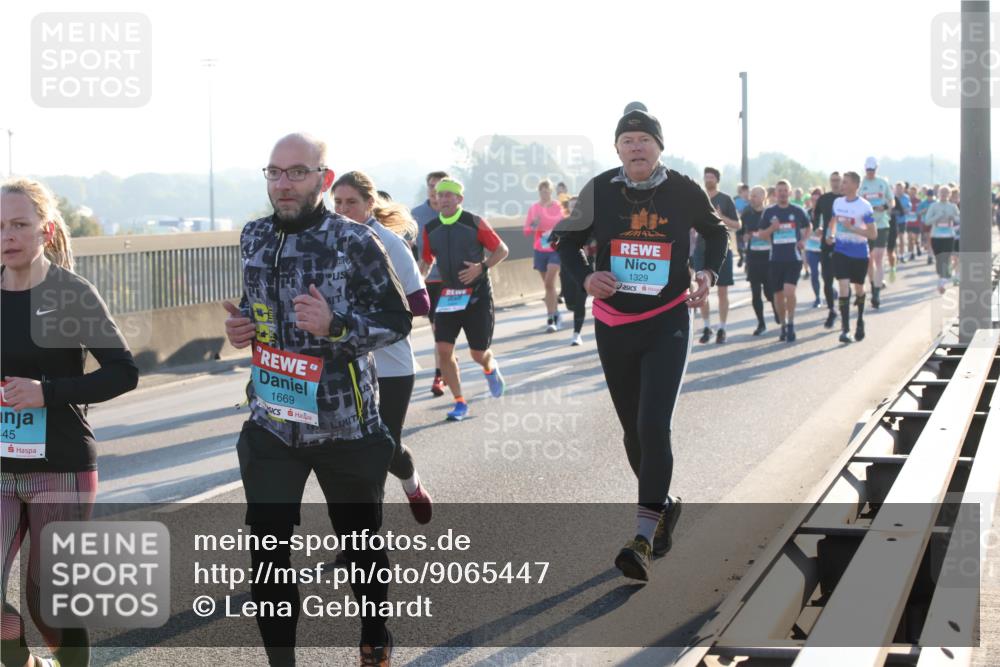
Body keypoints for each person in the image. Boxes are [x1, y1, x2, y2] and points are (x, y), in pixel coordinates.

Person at [222, 133, 412, 666]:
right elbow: (258, 303)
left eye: (296, 172)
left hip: (344, 426)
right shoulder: (254, 236)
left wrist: (337, 327)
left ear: (323, 179)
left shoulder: (353, 241)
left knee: (358, 548)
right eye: (275, 172)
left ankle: (375, 633)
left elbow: (398, 320)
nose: (283, 183)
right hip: (273, 422)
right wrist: (243, 326)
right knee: (267, 554)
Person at [552, 108, 729, 581]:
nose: (635, 147)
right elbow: (563, 243)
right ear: (617, 149)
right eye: (627, 140)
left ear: (659, 147)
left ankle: (642, 538)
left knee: (654, 424)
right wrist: (586, 277)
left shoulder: (684, 190)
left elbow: (715, 232)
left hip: (666, 319)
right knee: (632, 431)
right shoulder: (598, 190)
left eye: (644, 139)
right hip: (613, 323)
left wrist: (708, 272)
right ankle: (664, 506)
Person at [1, 178, 139, 667]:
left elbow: (125, 372)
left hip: (59, 464)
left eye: (19, 224)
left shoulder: (71, 293)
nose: (7, 236)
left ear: (46, 230)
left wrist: (47, 393)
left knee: (48, 603)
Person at [331, 171, 433, 524]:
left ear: (369, 204)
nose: (343, 210)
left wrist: (366, 315)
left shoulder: (389, 243)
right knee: (355, 454)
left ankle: (412, 483)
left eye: (351, 203)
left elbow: (420, 302)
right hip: (347, 363)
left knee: (386, 448)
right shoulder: (326, 242)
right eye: (337, 203)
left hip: (392, 363)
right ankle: (361, 538)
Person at [420, 178, 509, 422]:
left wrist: (482, 267)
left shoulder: (475, 222)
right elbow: (427, 261)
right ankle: (460, 402)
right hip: (449, 297)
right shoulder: (430, 229)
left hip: (477, 297)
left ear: (459, 199)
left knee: (478, 353)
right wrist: (417, 282)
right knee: (443, 350)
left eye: (449, 195)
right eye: (440, 195)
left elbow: (502, 250)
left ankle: (490, 368)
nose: (444, 199)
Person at [756, 180, 812, 342]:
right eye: (779, 190)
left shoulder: (797, 210)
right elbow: (761, 235)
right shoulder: (769, 212)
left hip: (793, 259)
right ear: (775, 193)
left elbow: (809, 226)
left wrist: (803, 240)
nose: (782, 193)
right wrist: (772, 229)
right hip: (775, 260)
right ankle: (783, 324)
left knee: (789, 292)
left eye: (785, 190)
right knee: (778, 296)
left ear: (789, 192)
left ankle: (791, 324)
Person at [411, 171, 450, 397]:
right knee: (440, 331)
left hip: (452, 281)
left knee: (446, 332)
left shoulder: (456, 214)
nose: (435, 191)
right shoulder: (416, 215)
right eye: (431, 186)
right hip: (429, 281)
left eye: (439, 186)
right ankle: (440, 373)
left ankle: (444, 368)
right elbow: (407, 246)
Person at [827, 171, 877, 343]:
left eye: (846, 182)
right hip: (841, 251)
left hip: (859, 252)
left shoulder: (865, 206)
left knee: (859, 289)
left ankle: (860, 320)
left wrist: (852, 228)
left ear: (856, 185)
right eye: (842, 182)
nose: (842, 185)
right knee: (843, 286)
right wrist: (829, 235)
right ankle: (845, 329)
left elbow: (873, 234)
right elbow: (833, 221)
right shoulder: (837, 202)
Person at [694, 167, 738, 344]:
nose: (708, 179)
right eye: (706, 176)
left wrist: (721, 218)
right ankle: (706, 327)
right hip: (700, 250)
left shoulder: (725, 199)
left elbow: (737, 224)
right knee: (701, 289)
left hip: (721, 251)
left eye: (711, 176)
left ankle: (722, 328)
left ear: (717, 179)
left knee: (722, 292)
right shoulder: (698, 198)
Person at [523, 179, 566, 332]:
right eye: (542, 191)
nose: (545, 193)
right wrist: (535, 223)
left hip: (555, 248)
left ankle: (551, 318)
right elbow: (527, 231)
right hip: (540, 249)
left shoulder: (557, 206)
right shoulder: (534, 208)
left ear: (551, 192)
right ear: (539, 192)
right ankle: (555, 313)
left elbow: (565, 224)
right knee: (549, 286)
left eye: (547, 191)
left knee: (549, 282)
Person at [740, 185, 778, 335]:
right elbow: (741, 234)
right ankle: (761, 323)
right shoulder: (746, 214)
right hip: (753, 258)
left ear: (763, 197)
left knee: (769, 292)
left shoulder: (770, 214)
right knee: (755, 293)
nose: (752, 198)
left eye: (755, 195)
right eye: (751, 195)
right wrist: (744, 238)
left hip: (768, 258)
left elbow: (776, 234)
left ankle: (777, 310)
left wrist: (765, 235)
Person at [859, 157, 894, 308]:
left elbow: (892, 201)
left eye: (872, 170)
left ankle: (877, 293)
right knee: (869, 260)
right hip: (867, 226)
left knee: (879, 258)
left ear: (876, 169)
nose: (870, 173)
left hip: (882, 224)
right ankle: (873, 284)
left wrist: (885, 207)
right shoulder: (862, 184)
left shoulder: (882, 183)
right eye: (868, 170)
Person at [813, 172, 843, 329]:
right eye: (833, 180)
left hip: (844, 244)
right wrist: (817, 226)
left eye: (838, 180)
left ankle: (844, 312)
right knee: (827, 279)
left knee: (844, 280)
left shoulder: (847, 199)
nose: (835, 183)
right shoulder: (824, 199)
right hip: (827, 244)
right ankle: (832, 310)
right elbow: (816, 213)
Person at [559, 196, 591, 345]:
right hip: (567, 269)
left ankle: (576, 334)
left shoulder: (590, 223)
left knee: (580, 303)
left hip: (585, 269)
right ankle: (570, 316)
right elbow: (548, 241)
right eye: (571, 206)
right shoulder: (562, 224)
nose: (574, 208)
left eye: (576, 206)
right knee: (570, 303)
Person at [923, 185, 961, 295]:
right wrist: (937, 216)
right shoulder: (934, 206)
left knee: (947, 257)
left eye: (946, 193)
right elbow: (927, 221)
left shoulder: (953, 206)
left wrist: (953, 218)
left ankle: (942, 281)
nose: (944, 195)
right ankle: (942, 278)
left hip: (949, 236)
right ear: (938, 194)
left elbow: (959, 219)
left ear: (949, 195)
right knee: (939, 259)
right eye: (942, 193)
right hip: (936, 236)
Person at [904, 184, 922, 261]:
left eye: (914, 192)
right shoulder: (907, 200)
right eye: (911, 192)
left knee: (916, 238)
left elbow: (921, 210)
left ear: (916, 193)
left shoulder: (919, 201)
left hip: (917, 222)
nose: (912, 194)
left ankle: (917, 246)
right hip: (909, 222)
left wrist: (919, 213)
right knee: (910, 238)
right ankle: (911, 253)